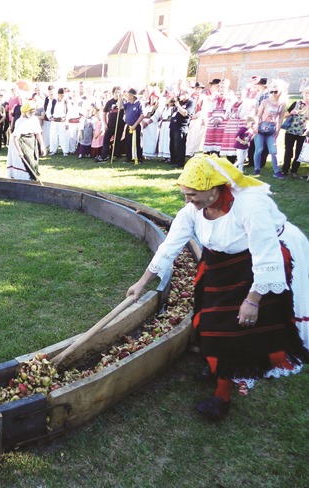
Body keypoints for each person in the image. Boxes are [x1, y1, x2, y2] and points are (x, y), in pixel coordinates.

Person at [127, 155, 309, 420]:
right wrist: (142, 283)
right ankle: (215, 365)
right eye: (185, 194)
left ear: (214, 189)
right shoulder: (193, 209)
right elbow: (171, 245)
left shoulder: (250, 206)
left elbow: (266, 256)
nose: (188, 200)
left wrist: (253, 300)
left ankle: (221, 397)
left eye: (193, 194)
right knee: (206, 319)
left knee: (230, 330)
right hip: (219, 262)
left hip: (253, 262)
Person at [6, 101, 46, 180]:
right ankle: (23, 178)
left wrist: (42, 146)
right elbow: (15, 138)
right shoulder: (20, 122)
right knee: (22, 162)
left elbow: (38, 133)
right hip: (19, 142)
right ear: (25, 112)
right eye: (30, 112)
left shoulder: (34, 120)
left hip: (31, 142)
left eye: (33, 112)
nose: (32, 114)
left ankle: (32, 176)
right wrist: (19, 151)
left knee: (32, 160)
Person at [254, 80, 285, 178]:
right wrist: (255, 126)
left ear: (280, 92)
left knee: (273, 151)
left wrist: (278, 130)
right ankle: (257, 168)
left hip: (271, 129)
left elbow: (281, 118)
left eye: (275, 92)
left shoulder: (282, 104)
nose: (273, 94)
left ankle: (276, 171)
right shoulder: (265, 102)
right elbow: (258, 115)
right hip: (260, 128)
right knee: (259, 149)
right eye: (271, 91)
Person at [281, 86, 309, 178]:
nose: (307, 95)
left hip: (302, 133)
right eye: (306, 93)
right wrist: (290, 113)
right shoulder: (296, 103)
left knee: (299, 152)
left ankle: (294, 170)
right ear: (302, 94)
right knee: (288, 151)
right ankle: (285, 170)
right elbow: (284, 115)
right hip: (290, 131)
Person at [168, 88, 195, 168]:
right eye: (181, 93)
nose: (182, 95)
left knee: (179, 144)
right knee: (172, 143)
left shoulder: (190, 102)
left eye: (184, 93)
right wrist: (173, 97)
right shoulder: (180, 102)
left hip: (181, 125)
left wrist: (178, 105)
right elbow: (168, 103)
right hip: (173, 124)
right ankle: (173, 160)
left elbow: (184, 113)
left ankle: (180, 162)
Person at [97, 86, 125, 162]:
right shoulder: (109, 102)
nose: (117, 94)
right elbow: (104, 113)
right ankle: (104, 156)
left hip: (119, 125)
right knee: (106, 140)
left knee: (117, 141)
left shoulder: (123, 101)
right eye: (116, 92)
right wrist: (104, 123)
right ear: (113, 93)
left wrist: (120, 98)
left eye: (119, 92)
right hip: (110, 125)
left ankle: (114, 155)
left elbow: (120, 107)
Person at [122, 88, 145, 164]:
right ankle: (129, 158)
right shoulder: (128, 104)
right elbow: (120, 107)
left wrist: (135, 125)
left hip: (136, 126)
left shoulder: (139, 104)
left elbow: (142, 115)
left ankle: (139, 158)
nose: (127, 96)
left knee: (137, 142)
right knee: (128, 142)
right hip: (128, 126)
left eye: (128, 94)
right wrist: (120, 98)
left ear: (132, 95)